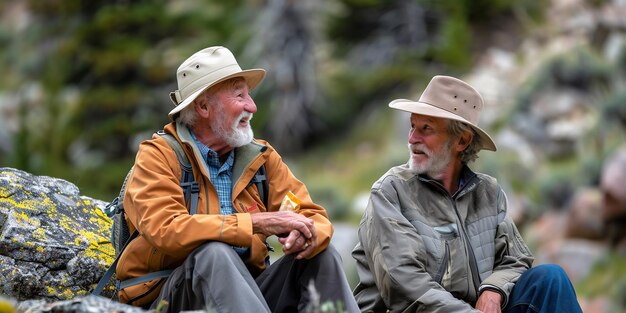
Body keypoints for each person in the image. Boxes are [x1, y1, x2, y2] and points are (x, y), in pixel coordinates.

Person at [116, 46, 358, 313]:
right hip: (170, 296)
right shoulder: (158, 156)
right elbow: (167, 229)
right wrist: (256, 222)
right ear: (204, 106)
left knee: (320, 255)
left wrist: (310, 235)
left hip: (249, 295)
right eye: (239, 95)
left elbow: (311, 215)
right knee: (213, 254)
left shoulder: (262, 158)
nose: (251, 106)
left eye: (249, 95)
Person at [352, 75, 583, 313]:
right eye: (412, 126)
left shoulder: (488, 192)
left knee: (550, 279)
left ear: (462, 140)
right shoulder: (391, 191)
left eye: (426, 128)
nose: (412, 139)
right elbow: (403, 284)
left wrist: (493, 289)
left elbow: (516, 259)